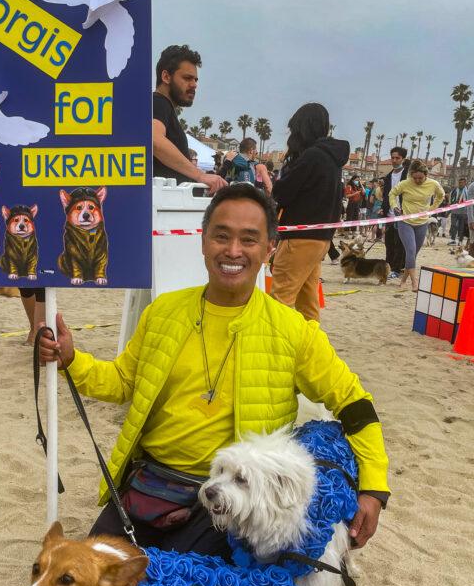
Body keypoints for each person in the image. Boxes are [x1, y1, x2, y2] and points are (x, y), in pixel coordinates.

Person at [39, 183, 389, 556]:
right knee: (91, 577)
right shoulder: (163, 312)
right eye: (221, 236)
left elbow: (353, 403)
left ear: (269, 248)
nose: (233, 251)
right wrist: (72, 360)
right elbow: (123, 382)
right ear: (203, 241)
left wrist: (373, 488)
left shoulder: (293, 330)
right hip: (150, 483)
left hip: (235, 499)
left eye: (249, 239)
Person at [270, 103, 349, 321]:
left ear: (303, 128)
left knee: (280, 298)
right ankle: (311, 340)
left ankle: (276, 341)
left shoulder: (312, 156)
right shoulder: (332, 157)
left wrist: (280, 177)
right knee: (308, 300)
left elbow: (282, 192)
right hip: (320, 238)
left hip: (299, 237)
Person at [152, 45, 226, 194]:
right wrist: (200, 175)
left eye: (195, 79)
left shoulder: (163, 107)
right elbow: (154, 139)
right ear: (166, 77)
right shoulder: (158, 103)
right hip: (165, 204)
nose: (194, 85)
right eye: (187, 78)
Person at [389, 160, 444, 291]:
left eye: (421, 178)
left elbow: (441, 195)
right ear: (411, 175)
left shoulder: (433, 184)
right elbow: (392, 194)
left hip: (422, 222)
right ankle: (414, 282)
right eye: (415, 178)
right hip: (405, 222)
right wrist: (395, 207)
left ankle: (403, 280)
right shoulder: (405, 183)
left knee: (413, 255)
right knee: (410, 250)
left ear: (426, 175)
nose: (418, 181)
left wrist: (432, 209)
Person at [381, 147, 409, 279]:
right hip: (390, 214)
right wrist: (384, 208)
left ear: (403, 159)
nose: (394, 160)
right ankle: (389, 266)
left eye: (397, 158)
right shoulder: (388, 177)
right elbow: (386, 195)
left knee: (400, 243)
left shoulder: (408, 175)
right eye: (392, 157)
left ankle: (397, 269)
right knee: (389, 242)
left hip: (404, 214)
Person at [448, 177, 469, 246]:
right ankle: (452, 240)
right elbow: (451, 199)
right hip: (454, 211)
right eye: (459, 182)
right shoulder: (454, 190)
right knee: (453, 225)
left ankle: (460, 240)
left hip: (463, 212)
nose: (460, 184)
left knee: (461, 227)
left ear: (465, 183)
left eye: (462, 183)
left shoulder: (468, 191)